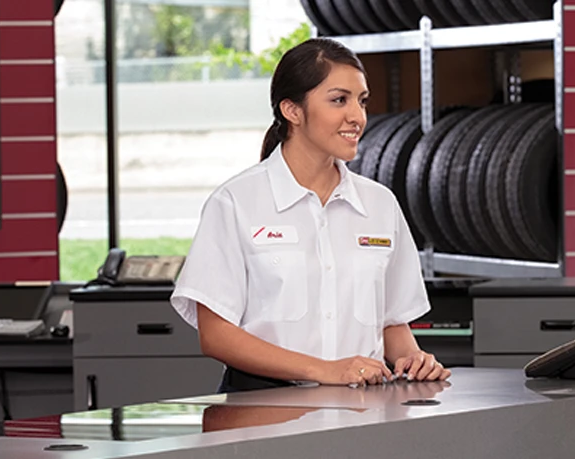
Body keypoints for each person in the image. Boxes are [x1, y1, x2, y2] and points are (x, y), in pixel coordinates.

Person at [170, 38, 450, 392]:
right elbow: (216, 336)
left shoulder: (380, 205)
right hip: (262, 410)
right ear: (293, 111)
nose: (357, 117)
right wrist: (325, 369)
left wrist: (412, 358)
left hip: (363, 412)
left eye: (361, 101)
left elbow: (392, 323)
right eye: (339, 100)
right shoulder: (235, 202)